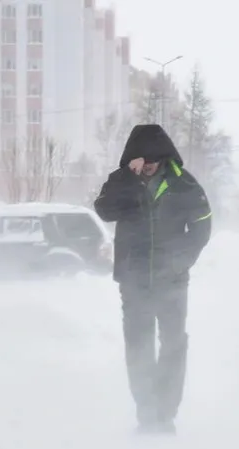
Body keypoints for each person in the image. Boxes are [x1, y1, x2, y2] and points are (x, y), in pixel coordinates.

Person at [93, 124, 212, 434]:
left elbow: (202, 227)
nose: (145, 165)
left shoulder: (184, 185)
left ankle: (166, 413)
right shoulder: (121, 182)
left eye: (150, 160)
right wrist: (125, 178)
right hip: (134, 282)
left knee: (173, 345)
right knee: (138, 347)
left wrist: (178, 261)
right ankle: (146, 414)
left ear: (162, 157)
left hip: (172, 282)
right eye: (139, 159)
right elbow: (104, 210)